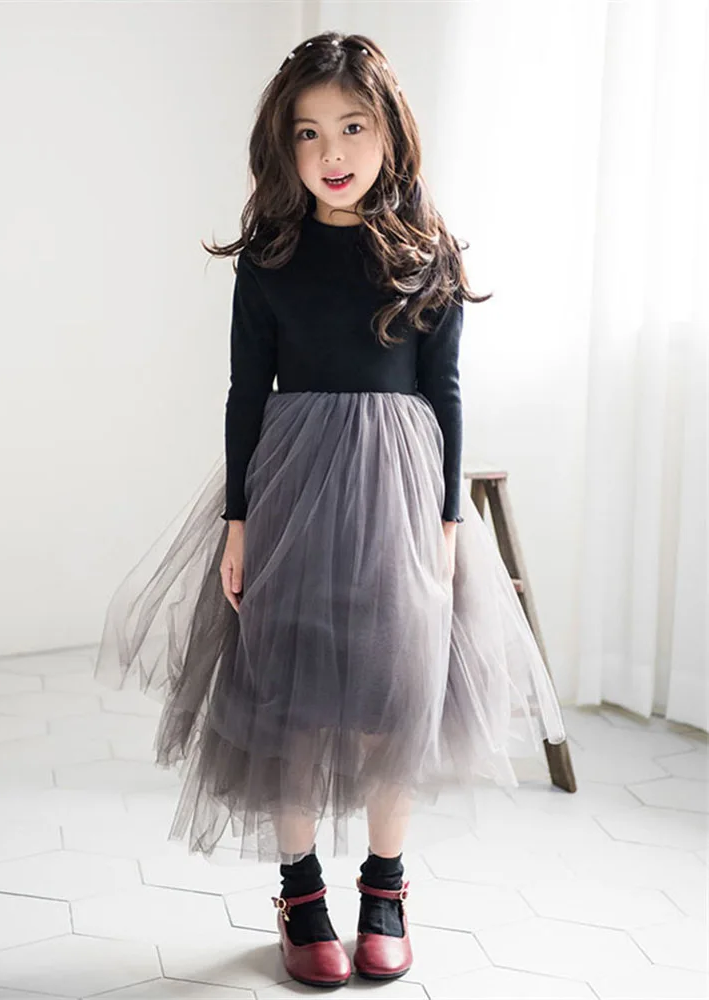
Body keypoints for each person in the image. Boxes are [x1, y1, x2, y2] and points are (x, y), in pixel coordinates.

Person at [94, 30, 567, 988]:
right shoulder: (271, 258)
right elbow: (245, 393)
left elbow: (445, 394)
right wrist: (238, 520)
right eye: (308, 133)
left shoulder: (427, 251)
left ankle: (386, 887)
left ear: (390, 131)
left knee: (396, 690)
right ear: (284, 146)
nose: (332, 152)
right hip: (294, 486)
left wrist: (446, 522)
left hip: (400, 489)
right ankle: (299, 892)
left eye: (352, 127)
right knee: (292, 695)